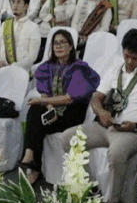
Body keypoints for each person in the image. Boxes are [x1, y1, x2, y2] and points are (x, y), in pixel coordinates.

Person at [60, 30, 137, 203]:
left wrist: (136, 126)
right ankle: (90, 188)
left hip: (132, 132)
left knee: (116, 153)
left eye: (135, 57)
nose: (130, 61)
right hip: (105, 126)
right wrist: (101, 112)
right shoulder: (114, 71)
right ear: (123, 51)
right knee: (68, 139)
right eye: (127, 56)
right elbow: (96, 98)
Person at [17, 30, 100, 184]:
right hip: (54, 111)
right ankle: (31, 157)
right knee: (36, 112)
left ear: (70, 47)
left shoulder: (78, 68)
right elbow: (45, 94)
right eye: (55, 43)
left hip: (72, 112)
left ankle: (34, 166)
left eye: (63, 43)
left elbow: (69, 99)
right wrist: (49, 108)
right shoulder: (47, 67)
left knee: (37, 117)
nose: (59, 46)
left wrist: (47, 104)